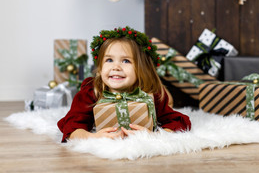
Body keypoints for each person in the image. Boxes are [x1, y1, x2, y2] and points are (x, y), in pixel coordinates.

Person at [57, 26, 191, 142]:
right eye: (109, 60)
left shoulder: (151, 93)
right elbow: (71, 127)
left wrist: (155, 136)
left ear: (141, 68)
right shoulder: (91, 91)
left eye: (126, 61)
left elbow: (178, 122)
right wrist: (92, 138)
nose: (116, 67)